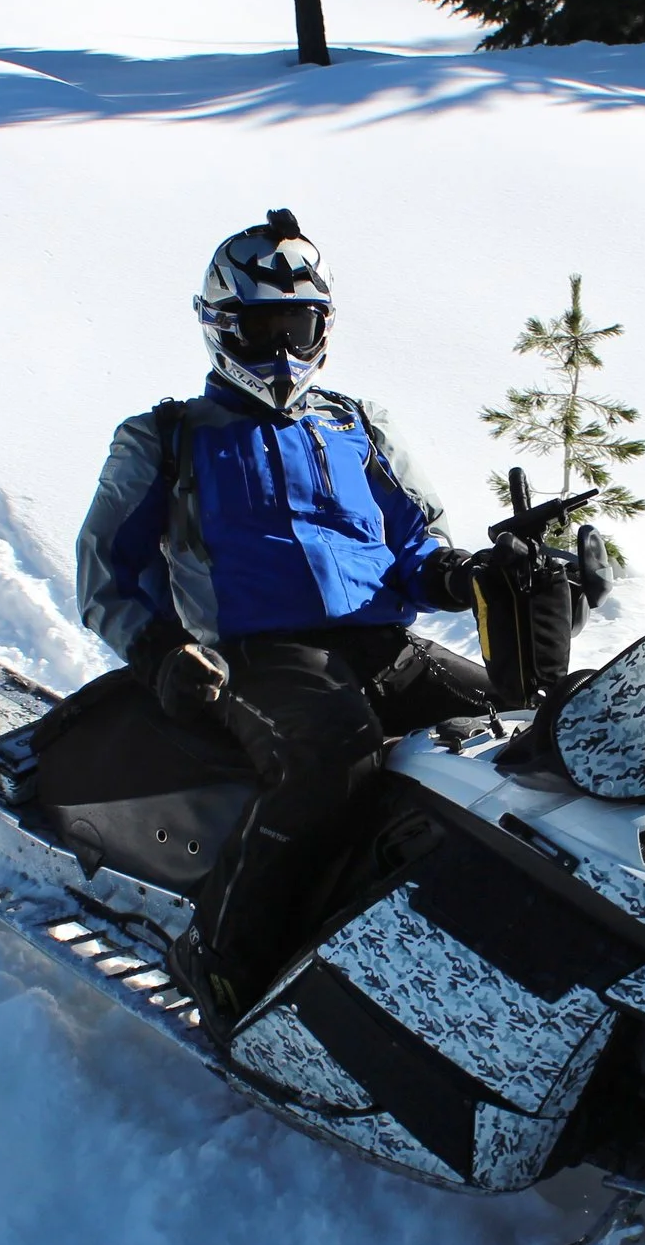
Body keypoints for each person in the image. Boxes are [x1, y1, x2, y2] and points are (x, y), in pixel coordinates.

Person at [75, 209, 493, 1032]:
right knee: (333, 755)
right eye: (260, 329)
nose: (281, 350)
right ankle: (223, 957)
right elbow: (104, 571)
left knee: (517, 726)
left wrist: (460, 574)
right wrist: (162, 651)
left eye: (297, 328)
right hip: (257, 654)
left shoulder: (357, 426)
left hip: (384, 644)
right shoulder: (166, 437)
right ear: (219, 326)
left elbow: (420, 544)